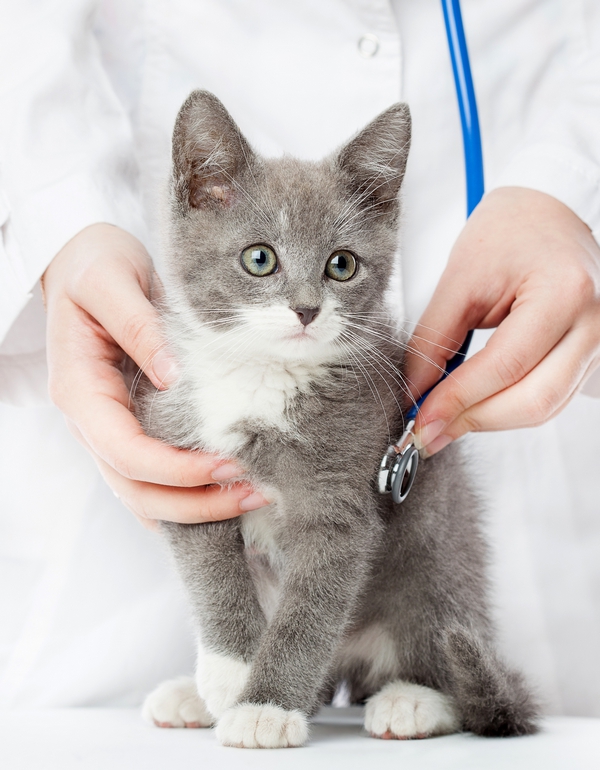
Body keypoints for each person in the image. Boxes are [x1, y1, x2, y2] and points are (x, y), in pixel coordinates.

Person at [1, 0, 599, 714]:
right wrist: (62, 219)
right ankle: (249, 669)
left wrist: (570, 187)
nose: (306, 303)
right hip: (121, 602)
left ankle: (412, 672)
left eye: (338, 267)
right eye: (263, 261)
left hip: (525, 129)